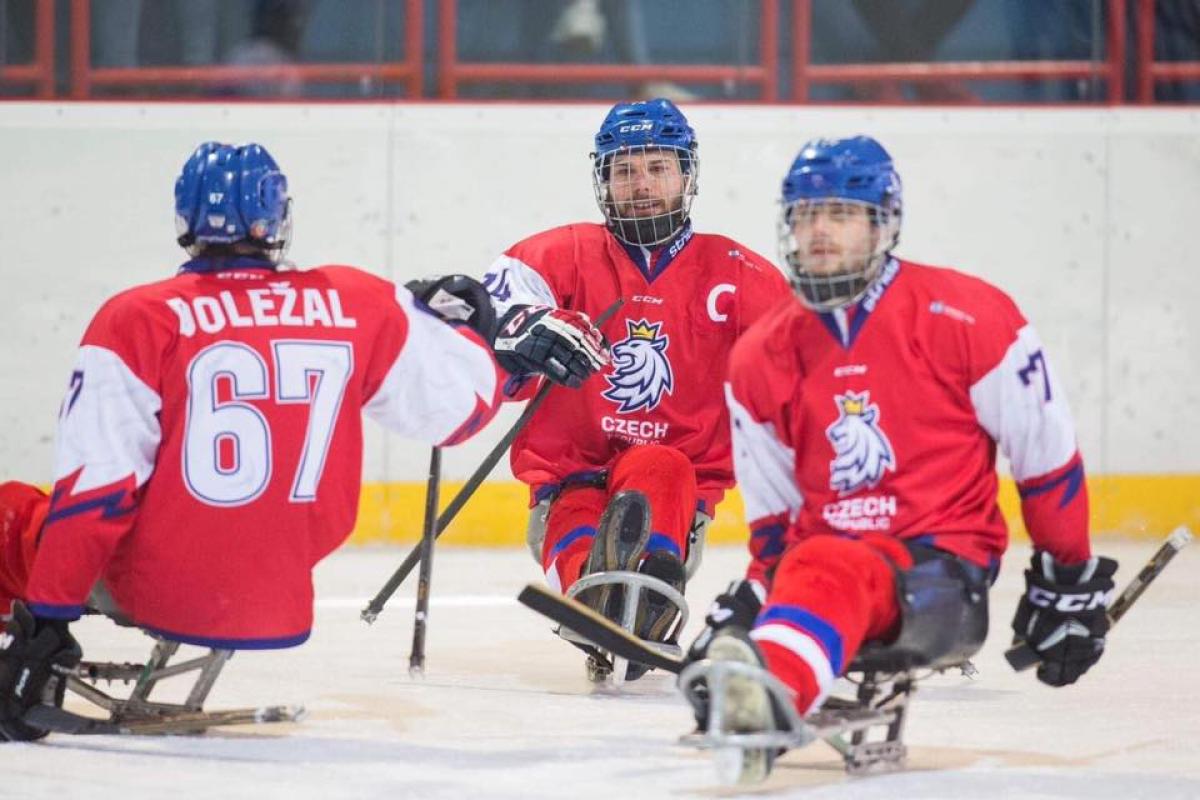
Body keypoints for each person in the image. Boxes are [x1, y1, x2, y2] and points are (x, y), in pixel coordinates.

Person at [0, 141, 504, 741]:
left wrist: (48, 623)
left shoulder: (137, 318)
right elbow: (461, 414)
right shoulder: (358, 300)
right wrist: (475, 338)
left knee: (11, 512)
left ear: (184, 218)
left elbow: (96, 493)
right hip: (282, 593)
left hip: (162, 588)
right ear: (278, 216)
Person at [685, 135, 1117, 778]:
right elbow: (777, 522)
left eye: (841, 213)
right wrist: (757, 594)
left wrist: (1067, 581)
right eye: (806, 215)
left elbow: (1045, 461)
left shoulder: (971, 316)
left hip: (941, 578)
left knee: (830, 562)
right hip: (825, 570)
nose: (820, 231)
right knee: (820, 560)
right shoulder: (759, 355)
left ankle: (766, 694)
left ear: (882, 222)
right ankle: (766, 676)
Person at [482, 98, 789, 679]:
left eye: (656, 167)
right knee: (578, 503)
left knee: (661, 465)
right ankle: (597, 600)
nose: (640, 184)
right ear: (603, 179)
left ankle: (647, 588)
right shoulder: (555, 255)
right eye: (623, 170)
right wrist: (518, 330)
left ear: (687, 174)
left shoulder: (742, 276)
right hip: (566, 477)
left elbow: (804, 377)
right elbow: (487, 312)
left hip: (674, 499)